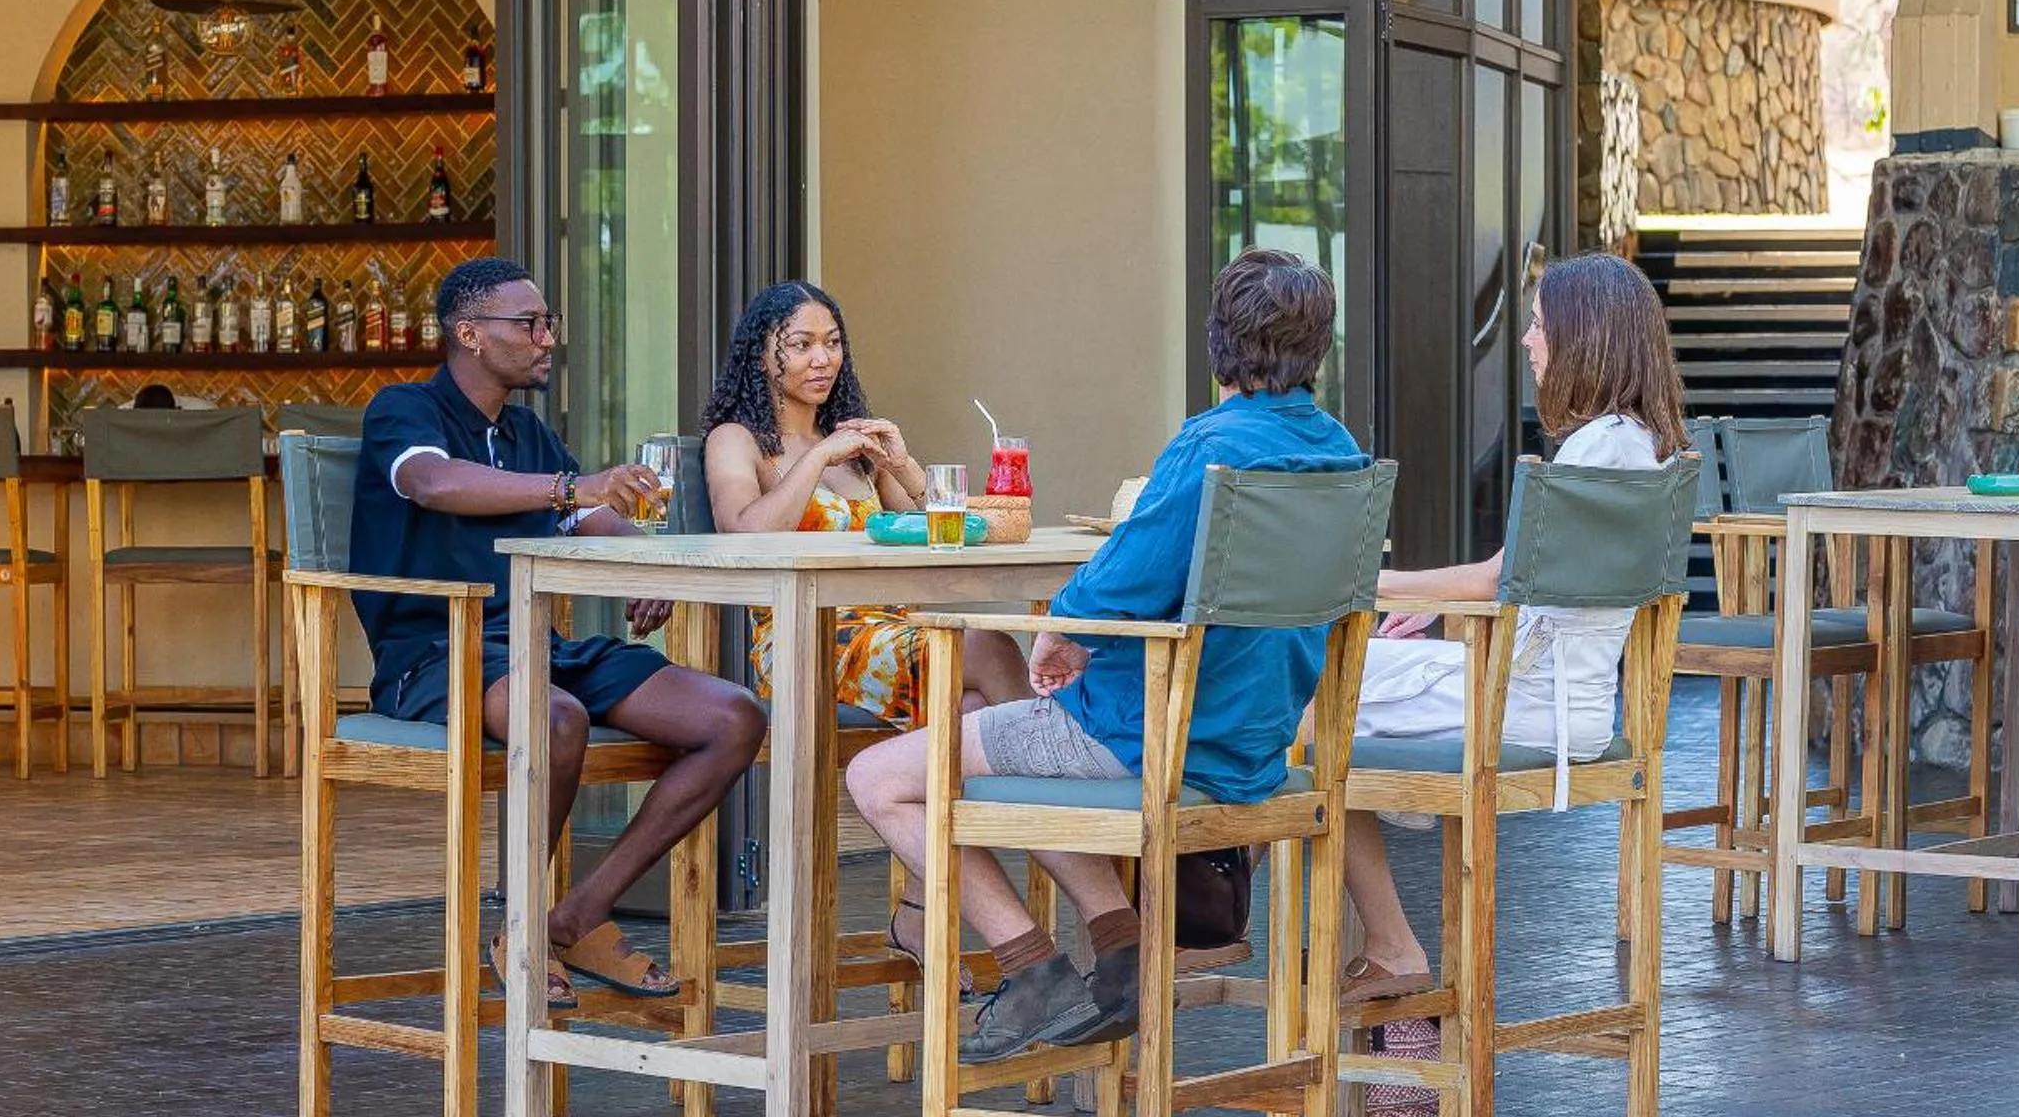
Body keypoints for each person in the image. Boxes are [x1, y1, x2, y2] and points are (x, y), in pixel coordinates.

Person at [843, 250, 1366, 1061]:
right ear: (1319, 347)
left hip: (1147, 736)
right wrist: (1072, 635)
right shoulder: (1341, 454)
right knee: (989, 728)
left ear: (1218, 343)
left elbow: (1119, 580)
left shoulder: (1210, 446)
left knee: (876, 779)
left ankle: (1030, 970)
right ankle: (1120, 946)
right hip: (1254, 742)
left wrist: (1059, 631)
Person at [349, 257, 767, 1009]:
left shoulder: (528, 433)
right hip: (438, 650)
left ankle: (575, 914)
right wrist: (575, 486)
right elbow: (432, 483)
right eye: (529, 324)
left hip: (541, 645)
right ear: (468, 333)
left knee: (733, 717)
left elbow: (590, 519)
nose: (548, 339)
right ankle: (519, 921)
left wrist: (646, 561)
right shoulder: (403, 410)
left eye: (550, 324)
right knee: (555, 716)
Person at [1339, 252, 1689, 1004]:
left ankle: (1234, 923)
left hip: (1523, 711)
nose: (1529, 342)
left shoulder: (1596, 451)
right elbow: (1519, 574)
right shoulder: (1638, 448)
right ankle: (1383, 944)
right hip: (1575, 709)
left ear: (1583, 340)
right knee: (1329, 690)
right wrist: (1431, 602)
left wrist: (1355, 581)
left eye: (1538, 327)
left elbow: (1501, 578)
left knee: (1308, 694)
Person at [702, 281, 1032, 978]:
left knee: (970, 710)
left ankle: (925, 909)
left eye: (832, 342)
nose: (821, 359)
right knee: (986, 647)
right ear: (762, 355)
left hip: (894, 629)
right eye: (800, 344)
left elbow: (932, 528)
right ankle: (1043, 794)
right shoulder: (739, 441)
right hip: (809, 638)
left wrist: (899, 460)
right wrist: (815, 461)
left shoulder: (852, 441)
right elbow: (743, 531)